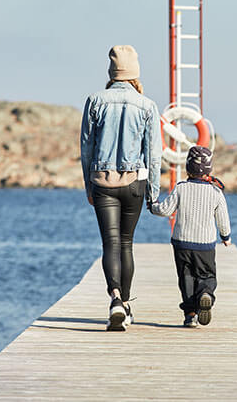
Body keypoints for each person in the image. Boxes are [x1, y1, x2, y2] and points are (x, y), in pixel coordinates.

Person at [80, 45, 162, 331]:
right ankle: (124, 304)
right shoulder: (147, 105)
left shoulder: (94, 100)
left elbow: (86, 148)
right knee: (126, 244)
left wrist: (88, 186)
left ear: (111, 72)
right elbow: (153, 154)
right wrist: (153, 192)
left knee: (110, 244)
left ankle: (115, 298)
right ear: (135, 73)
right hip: (134, 182)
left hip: (102, 181)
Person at [149, 145, 231, 327]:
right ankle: (205, 293)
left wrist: (152, 205)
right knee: (207, 274)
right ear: (209, 169)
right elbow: (223, 220)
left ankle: (190, 314)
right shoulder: (216, 192)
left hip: (182, 243)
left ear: (187, 167)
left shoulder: (181, 188)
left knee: (186, 277)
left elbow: (165, 210)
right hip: (205, 245)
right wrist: (226, 237)